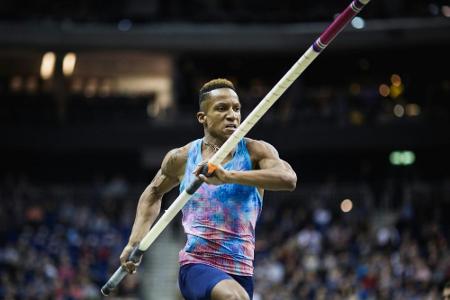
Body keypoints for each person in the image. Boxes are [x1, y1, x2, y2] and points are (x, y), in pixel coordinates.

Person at [119, 78, 297, 300]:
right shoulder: (182, 158)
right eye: (221, 108)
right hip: (197, 266)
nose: (232, 115)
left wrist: (228, 176)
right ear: (202, 117)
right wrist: (135, 242)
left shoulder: (256, 152)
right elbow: (153, 193)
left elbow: (288, 179)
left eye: (236, 108)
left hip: (241, 271)